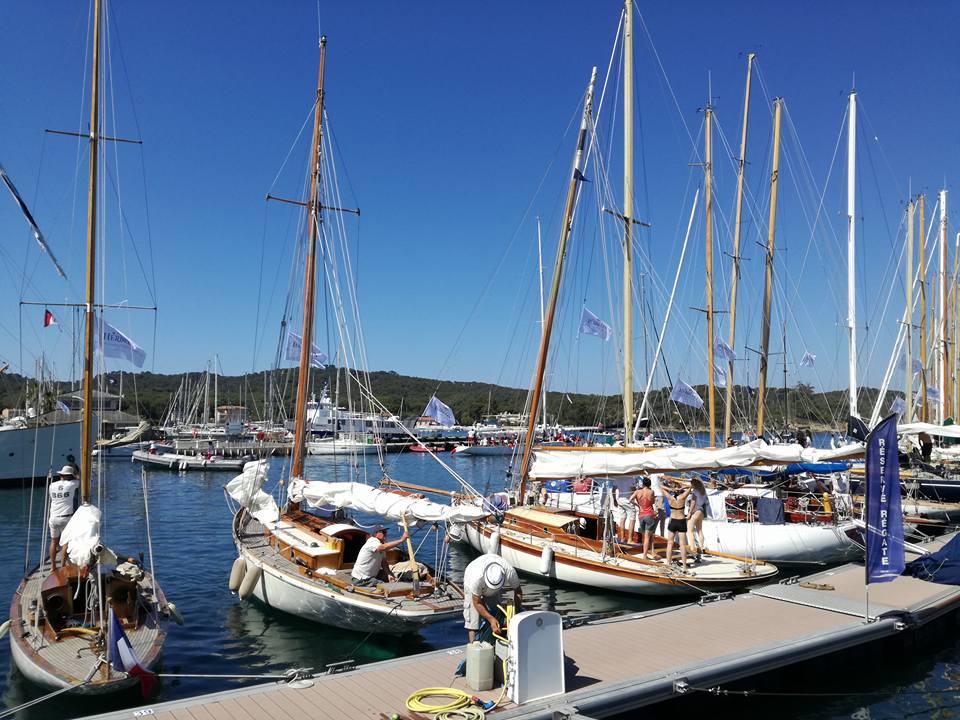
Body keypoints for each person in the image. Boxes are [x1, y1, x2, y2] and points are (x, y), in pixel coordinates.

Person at [462, 554, 521, 642]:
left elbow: (518, 591)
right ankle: (474, 647)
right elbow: (477, 602)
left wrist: (515, 612)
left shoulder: (509, 571)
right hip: (471, 580)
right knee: (474, 622)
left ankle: (494, 642)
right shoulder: (476, 579)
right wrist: (490, 619)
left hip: (493, 590)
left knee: (497, 614)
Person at [48, 465, 80, 571]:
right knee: (66, 543)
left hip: (53, 518)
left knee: (54, 542)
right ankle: (62, 566)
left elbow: (52, 498)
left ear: (60, 475)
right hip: (66, 518)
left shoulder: (52, 485)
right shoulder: (72, 484)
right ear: (70, 476)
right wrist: (75, 476)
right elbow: (80, 479)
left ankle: (53, 566)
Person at [663, 484, 692, 567]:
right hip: (681, 521)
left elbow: (660, 487)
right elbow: (691, 487)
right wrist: (682, 487)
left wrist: (670, 488)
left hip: (672, 521)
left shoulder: (670, 498)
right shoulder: (682, 497)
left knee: (670, 543)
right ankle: (684, 565)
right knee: (682, 544)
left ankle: (668, 563)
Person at [630, 477, 658, 560]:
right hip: (649, 514)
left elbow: (630, 499)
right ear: (649, 484)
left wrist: (638, 505)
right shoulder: (651, 492)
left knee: (645, 536)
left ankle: (648, 553)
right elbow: (652, 502)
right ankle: (645, 556)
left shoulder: (637, 491)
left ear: (643, 484)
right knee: (648, 536)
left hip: (641, 515)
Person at [686, 477, 708, 562]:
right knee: (699, 531)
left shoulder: (695, 492)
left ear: (694, 484)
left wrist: (689, 512)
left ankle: (692, 548)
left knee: (689, 530)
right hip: (701, 512)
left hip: (695, 512)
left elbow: (693, 503)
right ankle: (701, 547)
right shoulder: (703, 491)